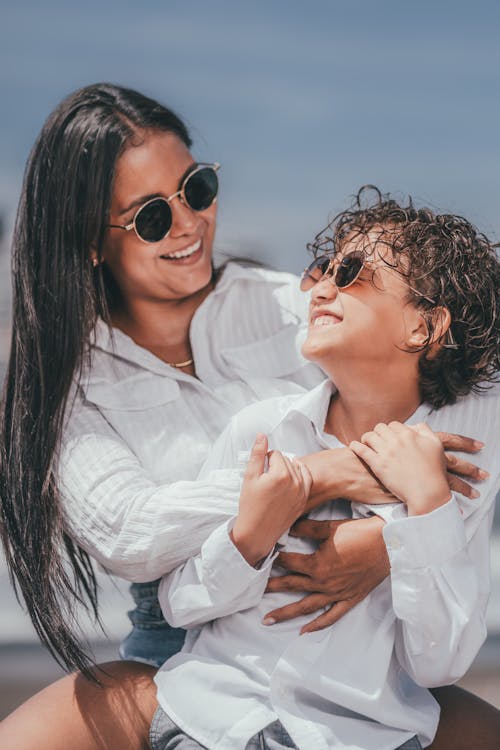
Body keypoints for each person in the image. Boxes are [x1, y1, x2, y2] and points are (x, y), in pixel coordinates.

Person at [0, 84, 497, 749]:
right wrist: (315, 478)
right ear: (89, 240)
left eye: (197, 189)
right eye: (151, 216)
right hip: (191, 654)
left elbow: (463, 387)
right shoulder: (70, 384)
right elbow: (132, 534)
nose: (189, 223)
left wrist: (393, 545)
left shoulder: (291, 305)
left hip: (363, 639)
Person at [151, 190, 500, 749]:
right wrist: (252, 535)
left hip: (362, 736)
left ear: (423, 328)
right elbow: (180, 604)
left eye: (354, 271)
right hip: (216, 722)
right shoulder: (261, 432)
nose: (321, 286)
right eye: (324, 267)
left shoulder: (447, 471)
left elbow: (440, 664)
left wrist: (428, 510)